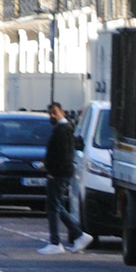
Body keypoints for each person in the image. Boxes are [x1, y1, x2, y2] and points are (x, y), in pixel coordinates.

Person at [39, 102, 90, 253]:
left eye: (54, 112)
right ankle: (79, 235)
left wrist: (52, 171)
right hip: (60, 172)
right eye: (50, 113)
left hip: (58, 174)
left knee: (53, 207)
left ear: (62, 112)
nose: (52, 116)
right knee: (56, 206)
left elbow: (62, 155)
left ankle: (55, 243)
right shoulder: (64, 129)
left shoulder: (63, 130)